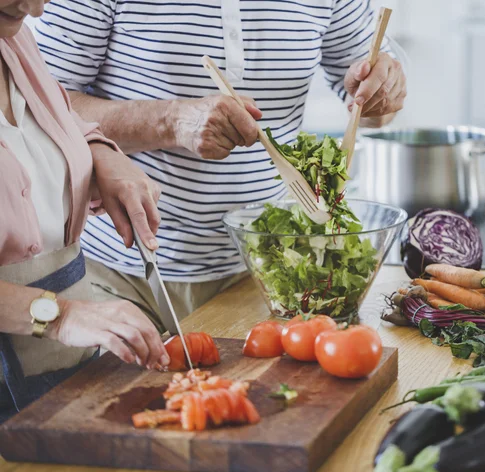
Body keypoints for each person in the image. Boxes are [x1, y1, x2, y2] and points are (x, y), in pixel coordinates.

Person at [30, 0, 407, 332]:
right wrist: (171, 121)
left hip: (265, 274)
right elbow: (36, 103)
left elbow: (372, 105)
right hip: (121, 272)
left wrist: (382, 92)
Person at [0, 0, 168, 423]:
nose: (36, 8)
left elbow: (58, 120)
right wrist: (60, 315)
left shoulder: (14, 40)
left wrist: (99, 154)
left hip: (63, 367)